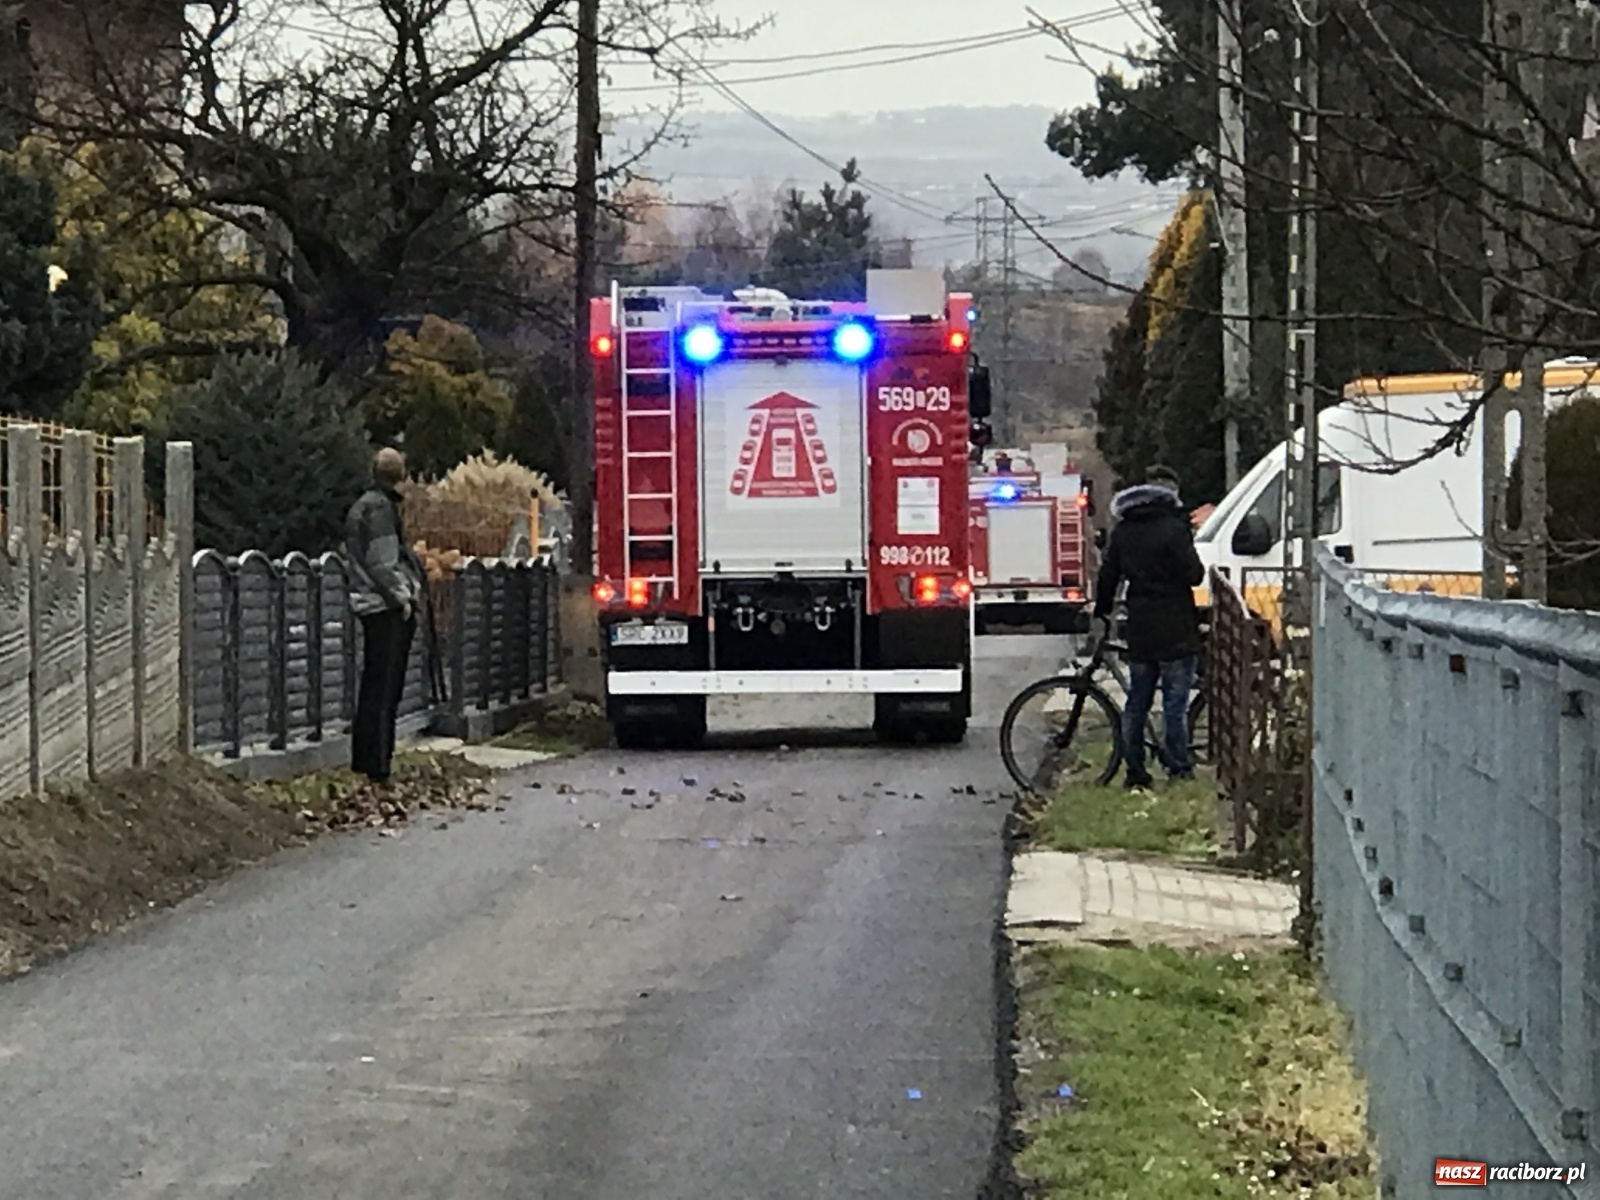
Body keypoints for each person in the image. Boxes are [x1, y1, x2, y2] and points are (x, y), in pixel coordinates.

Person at [1092, 464, 1205, 790]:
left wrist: (1102, 611)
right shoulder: (1174, 528)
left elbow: (1108, 577)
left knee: (1137, 701)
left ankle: (1136, 771)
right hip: (1176, 625)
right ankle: (1178, 768)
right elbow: (1195, 575)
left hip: (1141, 626)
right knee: (1174, 703)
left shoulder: (1124, 531)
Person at [345, 447, 425, 785]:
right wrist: (402, 597)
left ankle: (368, 761)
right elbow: (382, 562)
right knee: (385, 687)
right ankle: (378, 765)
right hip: (383, 607)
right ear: (400, 475)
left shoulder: (365, 505)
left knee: (374, 685)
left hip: (368, 603)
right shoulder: (379, 509)